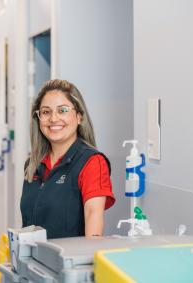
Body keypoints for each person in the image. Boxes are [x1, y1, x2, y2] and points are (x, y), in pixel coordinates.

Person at [20, 79, 115, 239]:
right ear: (38, 118)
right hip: (32, 261)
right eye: (45, 112)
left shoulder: (91, 162)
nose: (53, 118)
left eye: (62, 110)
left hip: (67, 262)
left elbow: (93, 216)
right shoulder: (33, 164)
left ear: (79, 117)